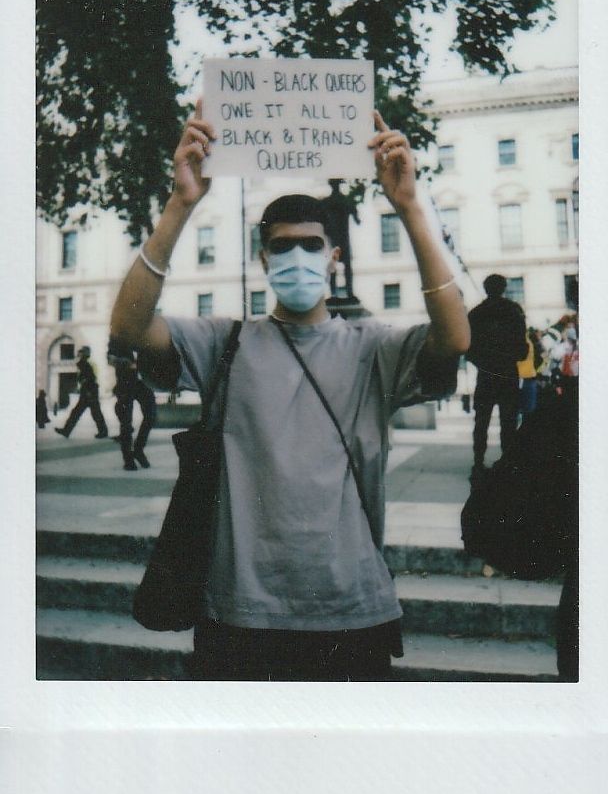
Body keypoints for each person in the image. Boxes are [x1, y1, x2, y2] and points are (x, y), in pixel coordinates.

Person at [110, 99, 470, 681]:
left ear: (332, 256)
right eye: (281, 245)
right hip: (238, 612)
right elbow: (128, 328)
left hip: (351, 609)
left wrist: (409, 208)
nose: (296, 256)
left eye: (310, 244)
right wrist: (181, 205)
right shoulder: (223, 343)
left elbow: (454, 337)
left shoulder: (371, 347)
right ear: (262, 258)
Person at [466, 274, 528, 484]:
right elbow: (522, 350)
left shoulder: (475, 314)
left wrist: (485, 363)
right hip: (508, 374)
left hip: (486, 375)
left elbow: (469, 350)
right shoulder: (514, 311)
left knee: (481, 421)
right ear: (503, 288)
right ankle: (507, 463)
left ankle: (478, 462)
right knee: (509, 422)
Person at [109, 344, 157, 470]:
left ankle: (138, 449)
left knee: (151, 416)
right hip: (126, 383)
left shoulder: (144, 338)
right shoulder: (118, 337)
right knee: (126, 422)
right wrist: (125, 363)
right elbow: (110, 358)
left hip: (144, 383)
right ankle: (128, 459)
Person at [55, 345, 108, 439]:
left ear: (84, 354)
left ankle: (67, 431)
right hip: (89, 392)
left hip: (89, 392)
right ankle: (67, 431)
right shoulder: (84, 363)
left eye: (81, 352)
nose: (78, 353)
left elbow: (91, 378)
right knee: (88, 413)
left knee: (87, 413)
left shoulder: (84, 364)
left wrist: (88, 390)